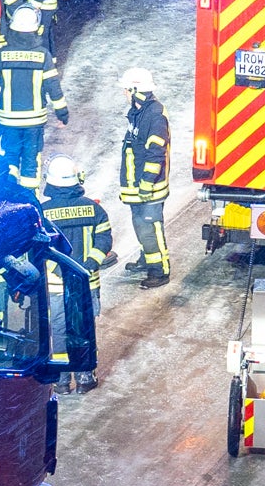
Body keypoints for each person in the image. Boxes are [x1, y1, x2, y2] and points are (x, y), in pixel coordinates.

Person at [37, 159, 112, 383]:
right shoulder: (94, 209)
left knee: (58, 331)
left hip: (55, 286)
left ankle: (61, 380)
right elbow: (104, 241)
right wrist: (89, 265)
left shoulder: (43, 213)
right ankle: (84, 377)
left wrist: (58, 268)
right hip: (86, 283)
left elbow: (38, 249)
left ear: (50, 181)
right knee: (83, 329)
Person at [0, 6, 65, 201]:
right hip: (34, 122)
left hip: (9, 121)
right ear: (36, 28)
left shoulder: (2, 54)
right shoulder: (43, 55)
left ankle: (8, 197)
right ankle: (30, 201)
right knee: (31, 161)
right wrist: (62, 112)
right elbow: (53, 86)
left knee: (10, 157)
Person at [117, 68, 172, 289]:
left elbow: (156, 153)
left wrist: (146, 183)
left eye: (126, 89)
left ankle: (160, 271)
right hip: (138, 185)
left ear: (135, 90)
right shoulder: (138, 112)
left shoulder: (154, 116)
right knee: (141, 226)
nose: (124, 93)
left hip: (149, 187)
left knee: (150, 228)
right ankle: (147, 258)